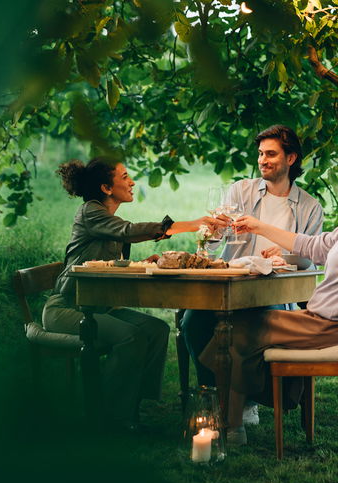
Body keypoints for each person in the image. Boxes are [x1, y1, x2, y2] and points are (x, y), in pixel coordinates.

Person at [201, 156, 338, 445]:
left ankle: (231, 425)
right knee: (239, 325)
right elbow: (313, 246)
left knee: (237, 329)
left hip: (331, 328)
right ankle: (236, 419)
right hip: (318, 322)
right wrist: (258, 227)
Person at [43, 157, 226, 431]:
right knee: (132, 336)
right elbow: (128, 232)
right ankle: (112, 416)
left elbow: (107, 262)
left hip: (97, 308)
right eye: (125, 177)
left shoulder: (107, 219)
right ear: (106, 188)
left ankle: (133, 405)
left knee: (156, 329)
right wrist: (190, 224)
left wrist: (143, 262)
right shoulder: (90, 212)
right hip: (69, 309)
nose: (132, 182)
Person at [181, 125, 324, 425]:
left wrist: (284, 257)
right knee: (192, 322)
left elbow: (309, 261)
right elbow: (214, 242)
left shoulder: (310, 207)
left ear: (291, 158)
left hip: (273, 291)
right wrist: (213, 230)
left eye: (271, 154)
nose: (262, 160)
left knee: (254, 329)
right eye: (260, 154)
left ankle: (244, 398)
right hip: (230, 285)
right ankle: (215, 396)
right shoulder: (240, 191)